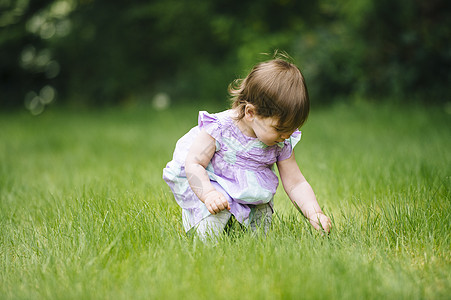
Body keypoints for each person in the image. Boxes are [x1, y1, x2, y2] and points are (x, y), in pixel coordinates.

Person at [163, 55, 331, 241]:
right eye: (279, 129)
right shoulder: (220, 128)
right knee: (214, 221)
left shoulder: (281, 140)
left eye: (290, 130)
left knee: (259, 229)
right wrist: (208, 194)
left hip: (250, 190)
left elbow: (295, 182)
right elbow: (193, 163)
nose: (285, 136)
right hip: (214, 184)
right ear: (250, 113)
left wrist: (314, 212)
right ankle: (203, 238)